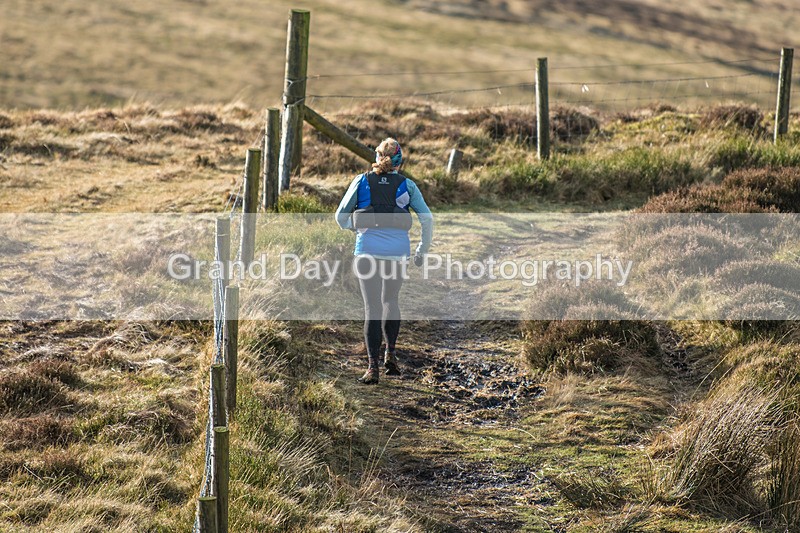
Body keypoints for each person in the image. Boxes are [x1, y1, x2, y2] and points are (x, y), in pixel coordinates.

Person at [335, 137, 434, 384]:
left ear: (376, 157)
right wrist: (421, 250)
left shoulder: (361, 181)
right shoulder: (407, 185)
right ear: (401, 162)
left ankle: (372, 369)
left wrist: (356, 229)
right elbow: (427, 219)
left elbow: (340, 217)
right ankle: (390, 353)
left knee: (372, 309)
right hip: (397, 254)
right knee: (390, 299)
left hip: (367, 252)